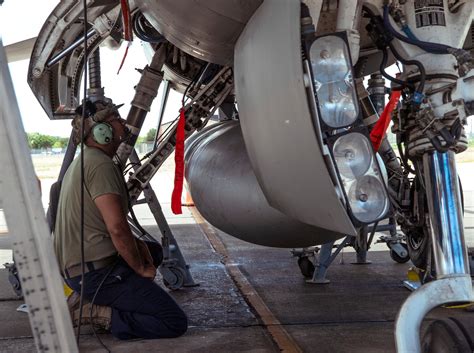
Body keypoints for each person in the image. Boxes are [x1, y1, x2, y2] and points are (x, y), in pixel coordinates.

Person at [53, 99, 187, 339]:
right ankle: (98, 312)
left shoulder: (86, 160)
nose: (123, 123)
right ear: (101, 131)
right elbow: (116, 228)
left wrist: (143, 253)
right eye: (116, 119)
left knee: (153, 251)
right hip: (95, 273)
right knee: (173, 321)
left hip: (84, 268)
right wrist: (140, 268)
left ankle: (97, 296)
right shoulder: (100, 165)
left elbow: (112, 224)